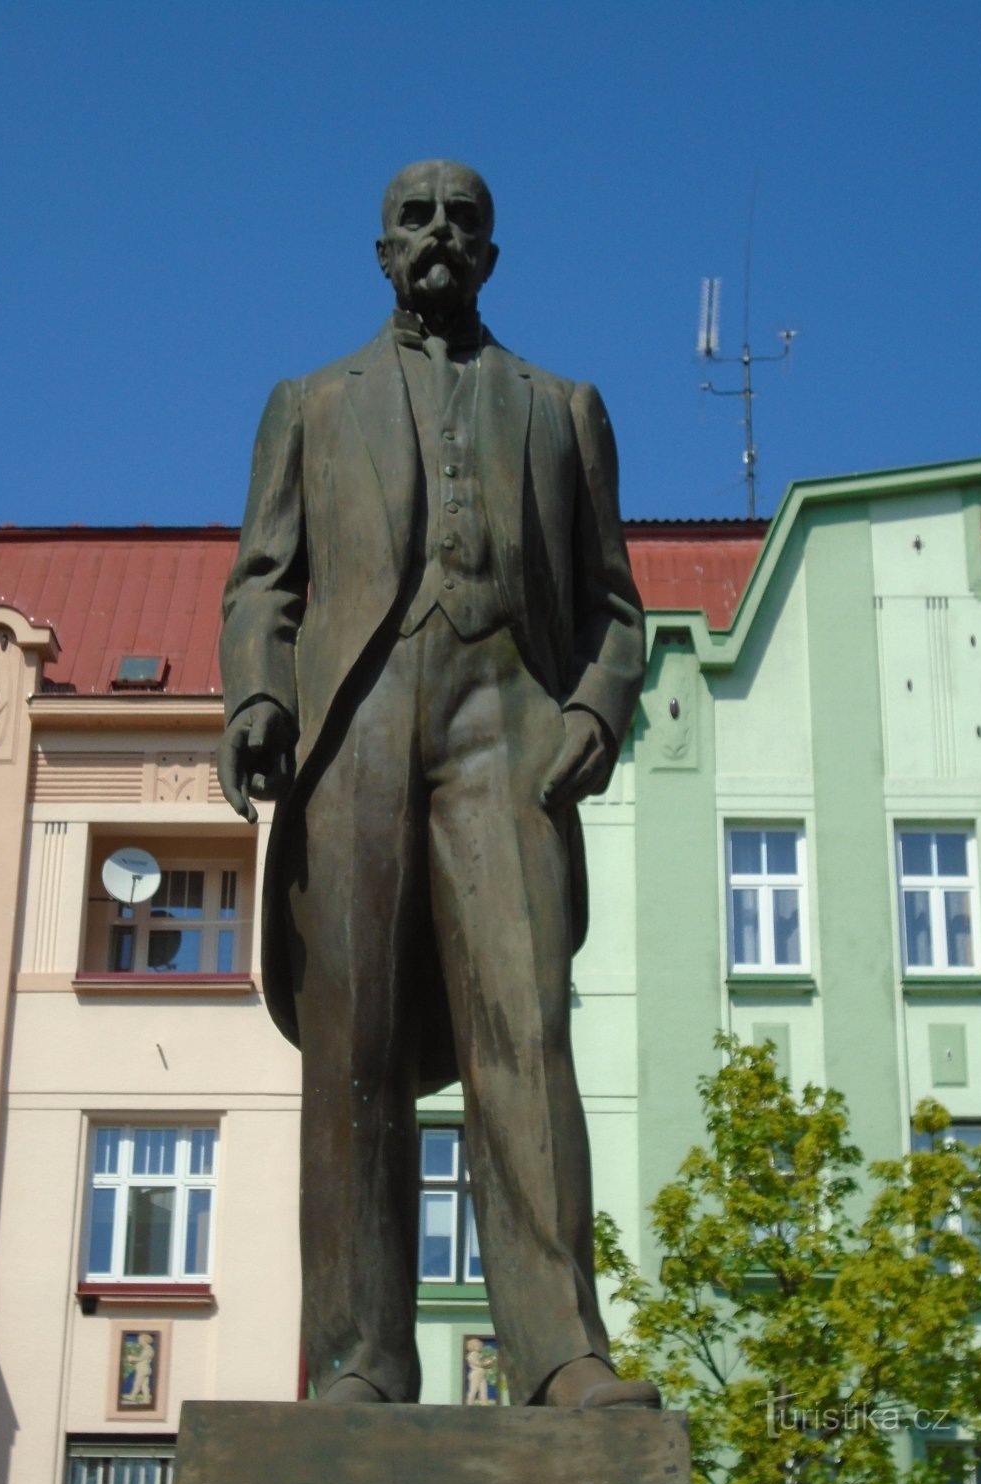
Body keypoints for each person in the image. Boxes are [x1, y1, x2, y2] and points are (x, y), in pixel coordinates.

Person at [218, 160, 657, 1410]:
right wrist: (258, 694)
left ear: (494, 254)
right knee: (350, 1051)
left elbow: (618, 610)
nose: (441, 237)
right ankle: (355, 1360)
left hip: (507, 724)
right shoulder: (308, 402)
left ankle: (562, 1351)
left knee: (527, 1035)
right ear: (380, 249)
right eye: (417, 219)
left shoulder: (562, 407)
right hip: (352, 723)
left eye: (465, 221)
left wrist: (595, 706)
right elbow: (266, 581)